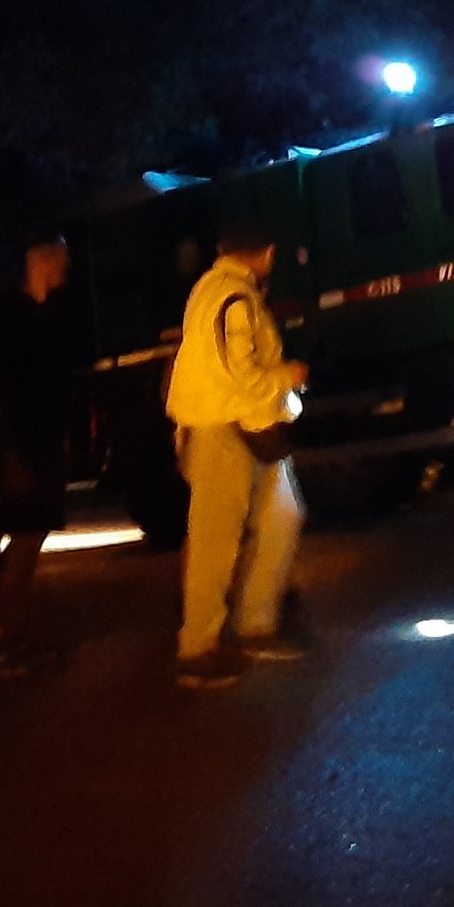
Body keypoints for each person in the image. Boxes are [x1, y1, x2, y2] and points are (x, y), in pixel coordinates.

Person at [165, 217, 311, 688]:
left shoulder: (221, 291)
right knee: (216, 539)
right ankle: (198, 650)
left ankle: (253, 625)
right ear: (267, 253)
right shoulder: (229, 296)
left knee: (280, 517)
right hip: (225, 429)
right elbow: (241, 375)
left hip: (241, 426)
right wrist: (286, 378)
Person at [0, 231, 79, 678]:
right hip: (23, 448)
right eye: (60, 260)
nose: (65, 270)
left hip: (46, 444)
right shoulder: (5, 318)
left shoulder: (48, 313)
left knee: (30, 544)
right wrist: (9, 450)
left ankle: (8, 635)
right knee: (23, 544)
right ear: (43, 260)